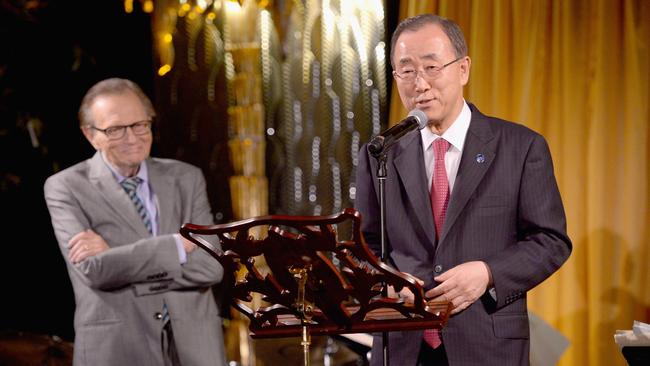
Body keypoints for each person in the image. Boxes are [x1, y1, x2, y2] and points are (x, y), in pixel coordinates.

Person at [355, 14, 572, 366]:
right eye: (406, 71)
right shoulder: (379, 154)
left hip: (487, 345)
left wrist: (488, 273)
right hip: (403, 347)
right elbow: (364, 248)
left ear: (463, 69)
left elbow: (551, 241)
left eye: (431, 67)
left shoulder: (520, 147)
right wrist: (385, 286)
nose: (420, 84)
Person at [44, 78, 227, 366]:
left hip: (195, 347)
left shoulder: (186, 178)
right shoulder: (65, 187)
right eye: (115, 129)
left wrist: (118, 255)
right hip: (118, 349)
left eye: (140, 125)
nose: (132, 138)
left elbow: (211, 267)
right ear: (91, 135)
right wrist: (174, 248)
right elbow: (95, 270)